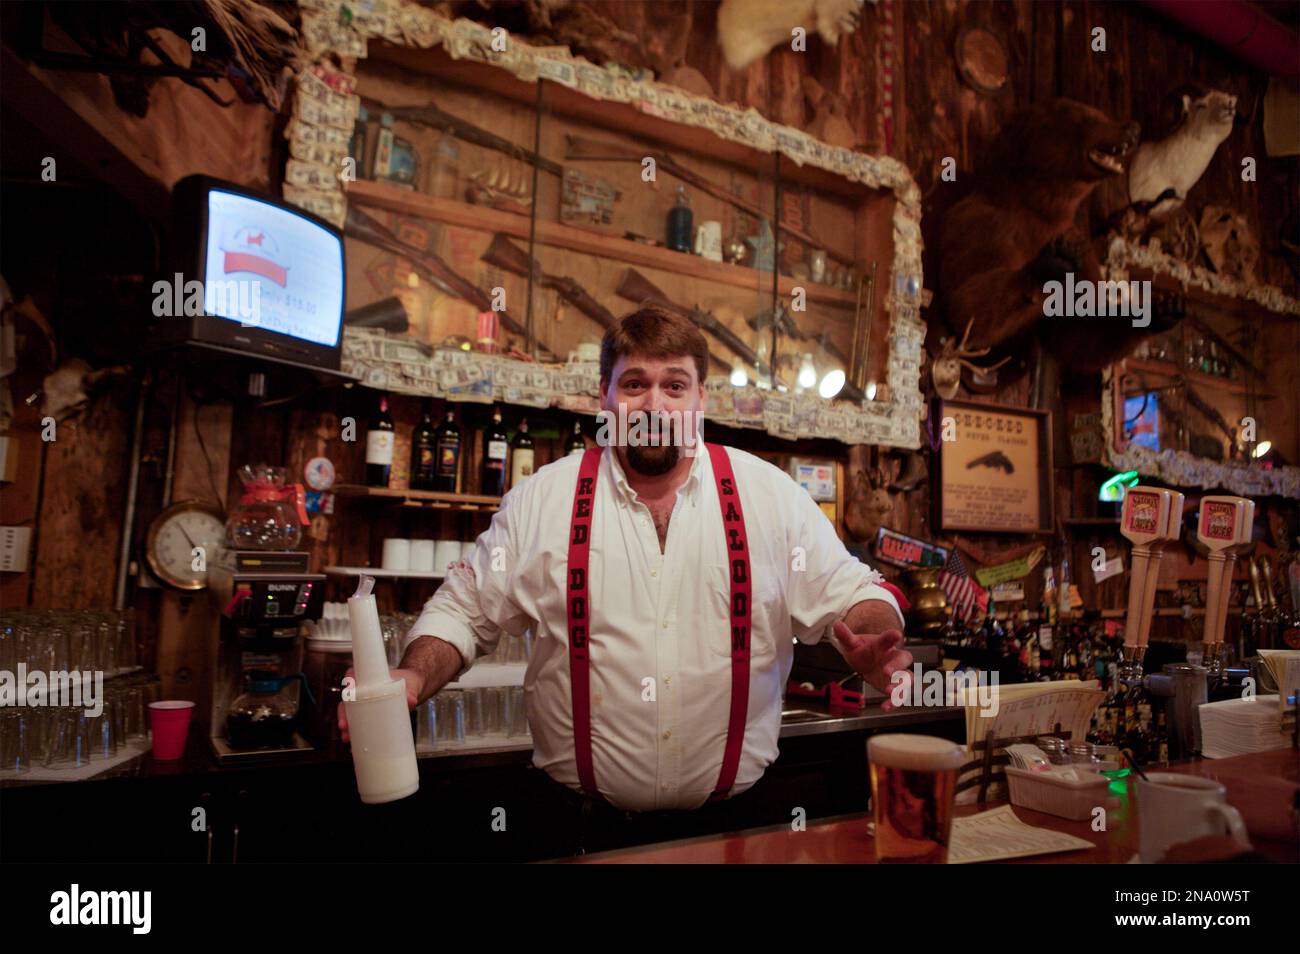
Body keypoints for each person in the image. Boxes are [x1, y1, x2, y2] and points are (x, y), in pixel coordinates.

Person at [340, 306, 912, 855]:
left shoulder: (772, 497)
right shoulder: (543, 500)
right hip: (580, 830)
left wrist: (872, 638)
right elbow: (464, 612)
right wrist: (412, 674)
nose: (654, 404)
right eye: (634, 384)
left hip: (739, 829)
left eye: (675, 385)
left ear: (701, 398)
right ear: (604, 398)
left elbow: (855, 593)